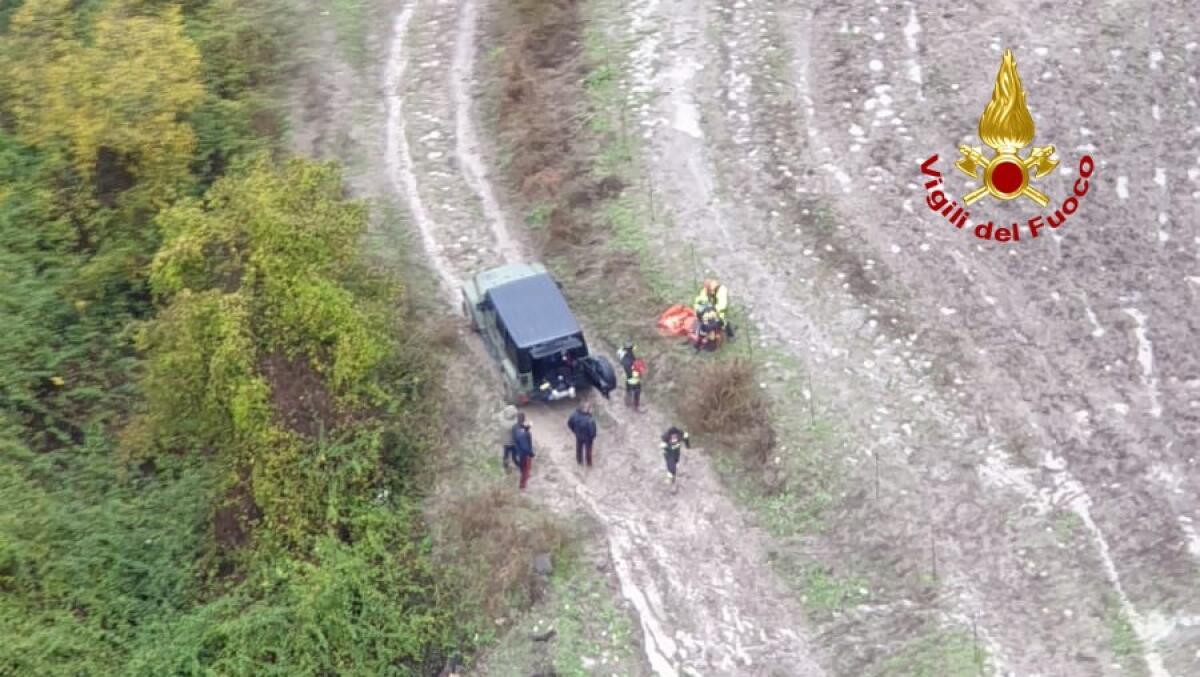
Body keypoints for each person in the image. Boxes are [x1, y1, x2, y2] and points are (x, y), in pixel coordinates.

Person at [567, 402, 598, 467]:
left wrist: (575, 431)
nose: (591, 410)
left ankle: (579, 462)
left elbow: (569, 423)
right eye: (590, 408)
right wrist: (593, 437)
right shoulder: (590, 419)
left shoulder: (574, 414)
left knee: (579, 449)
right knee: (588, 451)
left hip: (578, 436)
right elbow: (592, 430)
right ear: (586, 409)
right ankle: (589, 464)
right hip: (588, 439)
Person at [511, 412, 535, 489]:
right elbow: (524, 445)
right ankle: (522, 486)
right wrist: (530, 453)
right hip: (524, 453)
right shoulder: (523, 433)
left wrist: (529, 426)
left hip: (518, 451)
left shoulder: (515, 427)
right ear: (524, 419)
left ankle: (523, 475)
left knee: (523, 467)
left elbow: (522, 430)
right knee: (526, 469)